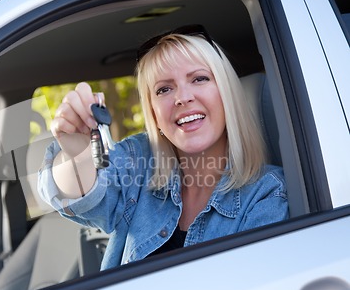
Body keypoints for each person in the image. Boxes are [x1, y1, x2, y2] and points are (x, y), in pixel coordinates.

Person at [38, 24, 289, 270]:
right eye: (164, 89)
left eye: (199, 79)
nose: (182, 98)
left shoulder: (267, 194)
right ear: (154, 115)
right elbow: (87, 200)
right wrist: (76, 151)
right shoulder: (140, 162)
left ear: (227, 95)